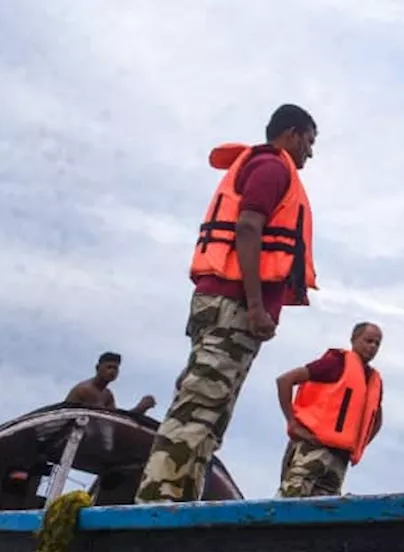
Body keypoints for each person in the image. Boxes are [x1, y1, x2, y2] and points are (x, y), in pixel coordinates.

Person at [135, 104, 321, 504]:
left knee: (210, 414)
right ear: (291, 134)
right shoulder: (273, 168)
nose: (310, 152)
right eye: (309, 141)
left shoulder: (268, 167)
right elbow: (248, 226)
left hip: (229, 307)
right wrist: (255, 304)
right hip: (232, 304)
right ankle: (157, 502)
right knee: (199, 408)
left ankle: (178, 500)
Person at [275, 322, 385, 497]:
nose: (372, 347)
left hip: (340, 458)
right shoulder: (336, 363)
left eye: (377, 344)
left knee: (323, 510)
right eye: (368, 341)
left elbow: (376, 420)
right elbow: (285, 380)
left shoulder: (373, 380)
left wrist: (358, 445)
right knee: (291, 499)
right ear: (354, 339)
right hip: (313, 448)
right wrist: (292, 423)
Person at [64, 352, 155, 414]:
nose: (112, 371)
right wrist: (140, 408)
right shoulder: (84, 390)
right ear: (97, 368)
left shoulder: (108, 395)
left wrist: (142, 408)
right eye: (109, 367)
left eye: (115, 368)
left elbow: (115, 420)